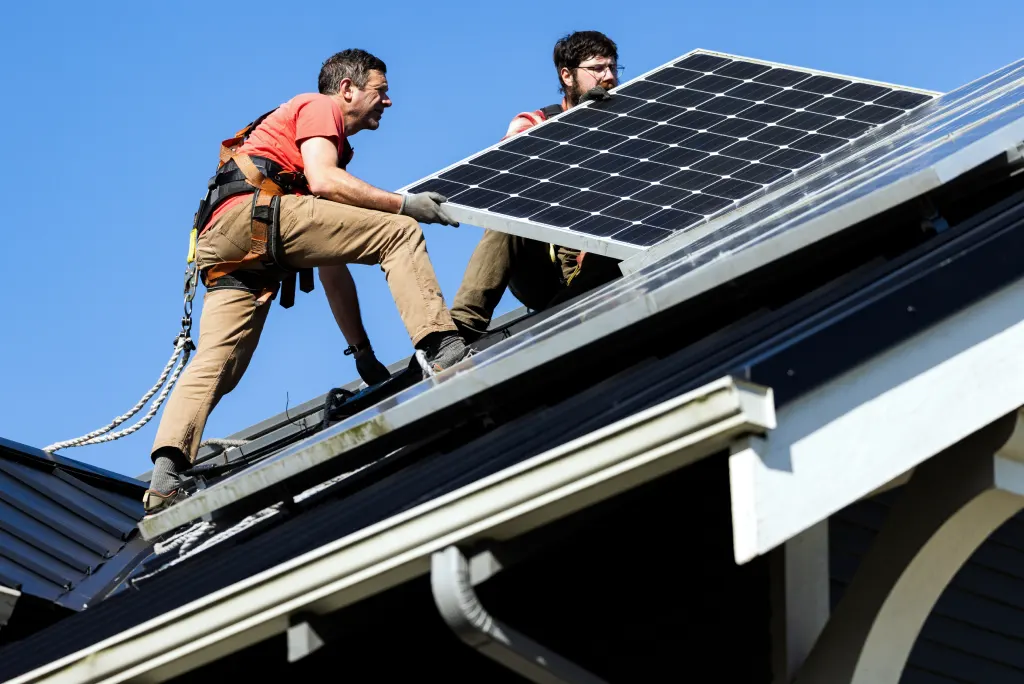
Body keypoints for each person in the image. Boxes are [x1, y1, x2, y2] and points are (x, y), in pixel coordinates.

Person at [143, 49, 469, 513]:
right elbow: (323, 180)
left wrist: (363, 354)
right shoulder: (319, 108)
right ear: (347, 89)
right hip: (256, 217)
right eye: (381, 91)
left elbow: (331, 263)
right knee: (398, 231)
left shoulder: (306, 136)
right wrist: (403, 204)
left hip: (227, 244)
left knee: (219, 360)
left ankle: (166, 477)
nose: (388, 102)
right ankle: (443, 349)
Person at [449, 31, 625, 343]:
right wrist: (580, 128)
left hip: (601, 262)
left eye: (613, 68)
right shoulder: (536, 121)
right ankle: (460, 330)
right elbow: (510, 171)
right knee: (508, 214)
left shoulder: (632, 126)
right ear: (567, 76)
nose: (609, 76)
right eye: (597, 69)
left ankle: (557, 322)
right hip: (543, 264)